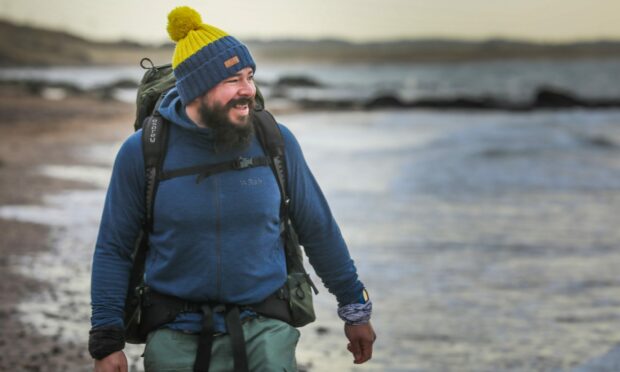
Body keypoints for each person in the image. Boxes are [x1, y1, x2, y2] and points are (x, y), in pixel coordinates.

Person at [89, 6, 375, 372]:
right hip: (174, 331)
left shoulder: (275, 142)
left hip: (266, 329)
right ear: (195, 88)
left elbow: (318, 229)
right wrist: (106, 340)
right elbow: (114, 248)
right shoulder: (142, 151)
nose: (248, 91)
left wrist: (354, 308)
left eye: (250, 76)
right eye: (232, 81)